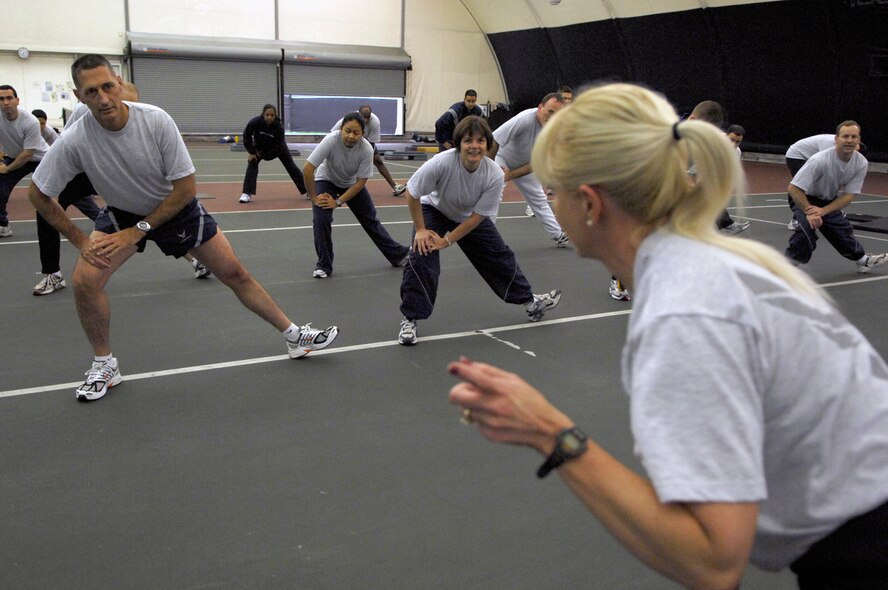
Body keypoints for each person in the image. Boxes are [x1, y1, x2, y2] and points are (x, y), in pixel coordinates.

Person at [448, 83, 888, 589]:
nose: (548, 200)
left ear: (589, 205)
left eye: (553, 190)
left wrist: (551, 434)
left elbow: (712, 562)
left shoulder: (685, 313)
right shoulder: (717, 264)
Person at [28, 54, 339, 401]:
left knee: (234, 273)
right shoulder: (75, 138)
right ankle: (105, 364)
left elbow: (186, 190)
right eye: (91, 91)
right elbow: (39, 194)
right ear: (78, 95)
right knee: (85, 281)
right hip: (122, 213)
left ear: (118, 83)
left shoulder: (156, 121)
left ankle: (295, 336)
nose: (102, 98)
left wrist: (140, 229)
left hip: (176, 209)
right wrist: (80, 240)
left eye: (107, 87)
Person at [397, 116, 562, 345]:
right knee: (421, 255)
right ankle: (410, 319)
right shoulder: (442, 162)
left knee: (499, 256)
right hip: (434, 209)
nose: (474, 146)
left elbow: (478, 217)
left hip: (468, 215)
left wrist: (447, 241)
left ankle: (530, 302)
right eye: (468, 141)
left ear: (487, 145)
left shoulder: (494, 174)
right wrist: (421, 230)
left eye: (480, 141)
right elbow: (413, 192)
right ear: (459, 144)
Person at [33, 83, 208, 296]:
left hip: (126, 175)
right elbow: (65, 145)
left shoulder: (148, 119)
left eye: (132, 105)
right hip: (90, 171)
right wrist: (80, 240)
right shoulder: (84, 114)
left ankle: (194, 257)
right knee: (46, 208)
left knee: (149, 213)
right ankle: (52, 273)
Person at [305, 111, 409, 279]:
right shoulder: (330, 140)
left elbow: (361, 182)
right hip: (327, 180)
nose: (351, 136)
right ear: (341, 129)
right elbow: (308, 169)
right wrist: (314, 197)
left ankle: (398, 256)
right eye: (348, 131)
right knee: (321, 219)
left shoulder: (366, 149)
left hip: (352, 184)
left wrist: (338, 202)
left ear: (362, 134)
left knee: (371, 220)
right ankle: (324, 265)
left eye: (356, 132)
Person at [785, 120, 888, 274]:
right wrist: (810, 211)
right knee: (806, 234)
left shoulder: (861, 163)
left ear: (859, 140)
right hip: (805, 198)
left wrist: (824, 211)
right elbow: (794, 188)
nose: (849, 140)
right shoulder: (819, 160)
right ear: (836, 139)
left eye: (854, 137)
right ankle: (785, 269)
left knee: (842, 230)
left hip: (827, 200)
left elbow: (850, 195)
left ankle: (863, 261)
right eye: (845, 136)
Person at [489, 92, 570, 247]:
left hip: (526, 164)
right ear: (540, 108)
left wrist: (511, 174)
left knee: (539, 198)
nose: (552, 117)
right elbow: (494, 140)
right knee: (494, 195)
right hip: (502, 158)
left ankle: (558, 235)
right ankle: (486, 236)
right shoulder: (524, 119)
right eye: (550, 111)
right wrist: (489, 170)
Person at [687, 101, 750, 235]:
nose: (734, 144)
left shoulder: (736, 152)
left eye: (738, 142)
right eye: (732, 140)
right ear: (725, 135)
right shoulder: (711, 141)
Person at [0, 84, 50, 238]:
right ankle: (3, 225)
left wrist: (7, 169)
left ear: (17, 100)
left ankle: (98, 217)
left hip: (40, 159)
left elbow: (28, 154)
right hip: (16, 156)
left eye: (9, 98)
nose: (6, 102)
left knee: (68, 189)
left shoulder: (30, 122)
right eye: (1, 99)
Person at [784, 133, 859, 231]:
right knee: (803, 188)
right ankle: (796, 220)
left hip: (810, 157)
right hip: (797, 156)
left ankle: (832, 212)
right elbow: (826, 163)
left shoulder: (843, 148)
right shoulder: (829, 144)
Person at [238, 104, 307, 203]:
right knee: (252, 164)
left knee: (291, 167)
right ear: (263, 115)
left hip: (278, 148)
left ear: (275, 116)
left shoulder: (278, 127)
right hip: (259, 147)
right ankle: (246, 193)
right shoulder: (255, 122)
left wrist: (266, 156)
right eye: (267, 115)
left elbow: (279, 146)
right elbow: (246, 136)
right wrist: (252, 152)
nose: (269, 117)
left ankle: (307, 190)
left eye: (272, 115)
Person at [332, 105, 406, 196]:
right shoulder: (347, 120)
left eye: (368, 117)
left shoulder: (375, 122)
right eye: (364, 117)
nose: (366, 120)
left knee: (378, 161)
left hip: (364, 142)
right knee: (338, 164)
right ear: (359, 114)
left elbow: (372, 143)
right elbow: (333, 135)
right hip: (343, 141)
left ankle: (395, 186)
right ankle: (315, 188)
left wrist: (365, 157)